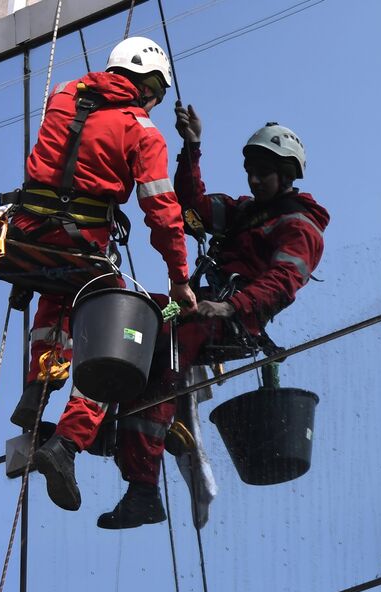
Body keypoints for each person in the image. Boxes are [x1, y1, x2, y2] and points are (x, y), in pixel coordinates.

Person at [89, 109, 329, 529]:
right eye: (250, 171)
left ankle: (140, 481)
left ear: (287, 174)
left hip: (232, 318)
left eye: (264, 173)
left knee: (165, 354)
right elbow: (192, 207)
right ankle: (108, 434)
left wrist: (233, 306)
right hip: (193, 305)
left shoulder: (299, 226)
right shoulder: (243, 213)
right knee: (140, 316)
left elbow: (284, 280)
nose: (253, 180)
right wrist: (191, 147)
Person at [17, 37, 196, 512]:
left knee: (55, 305)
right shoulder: (142, 130)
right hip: (83, 244)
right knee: (114, 338)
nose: (154, 103)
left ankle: (39, 386)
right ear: (149, 85)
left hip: (28, 234)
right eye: (156, 93)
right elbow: (161, 210)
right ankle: (68, 443)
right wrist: (179, 278)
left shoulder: (63, 95)